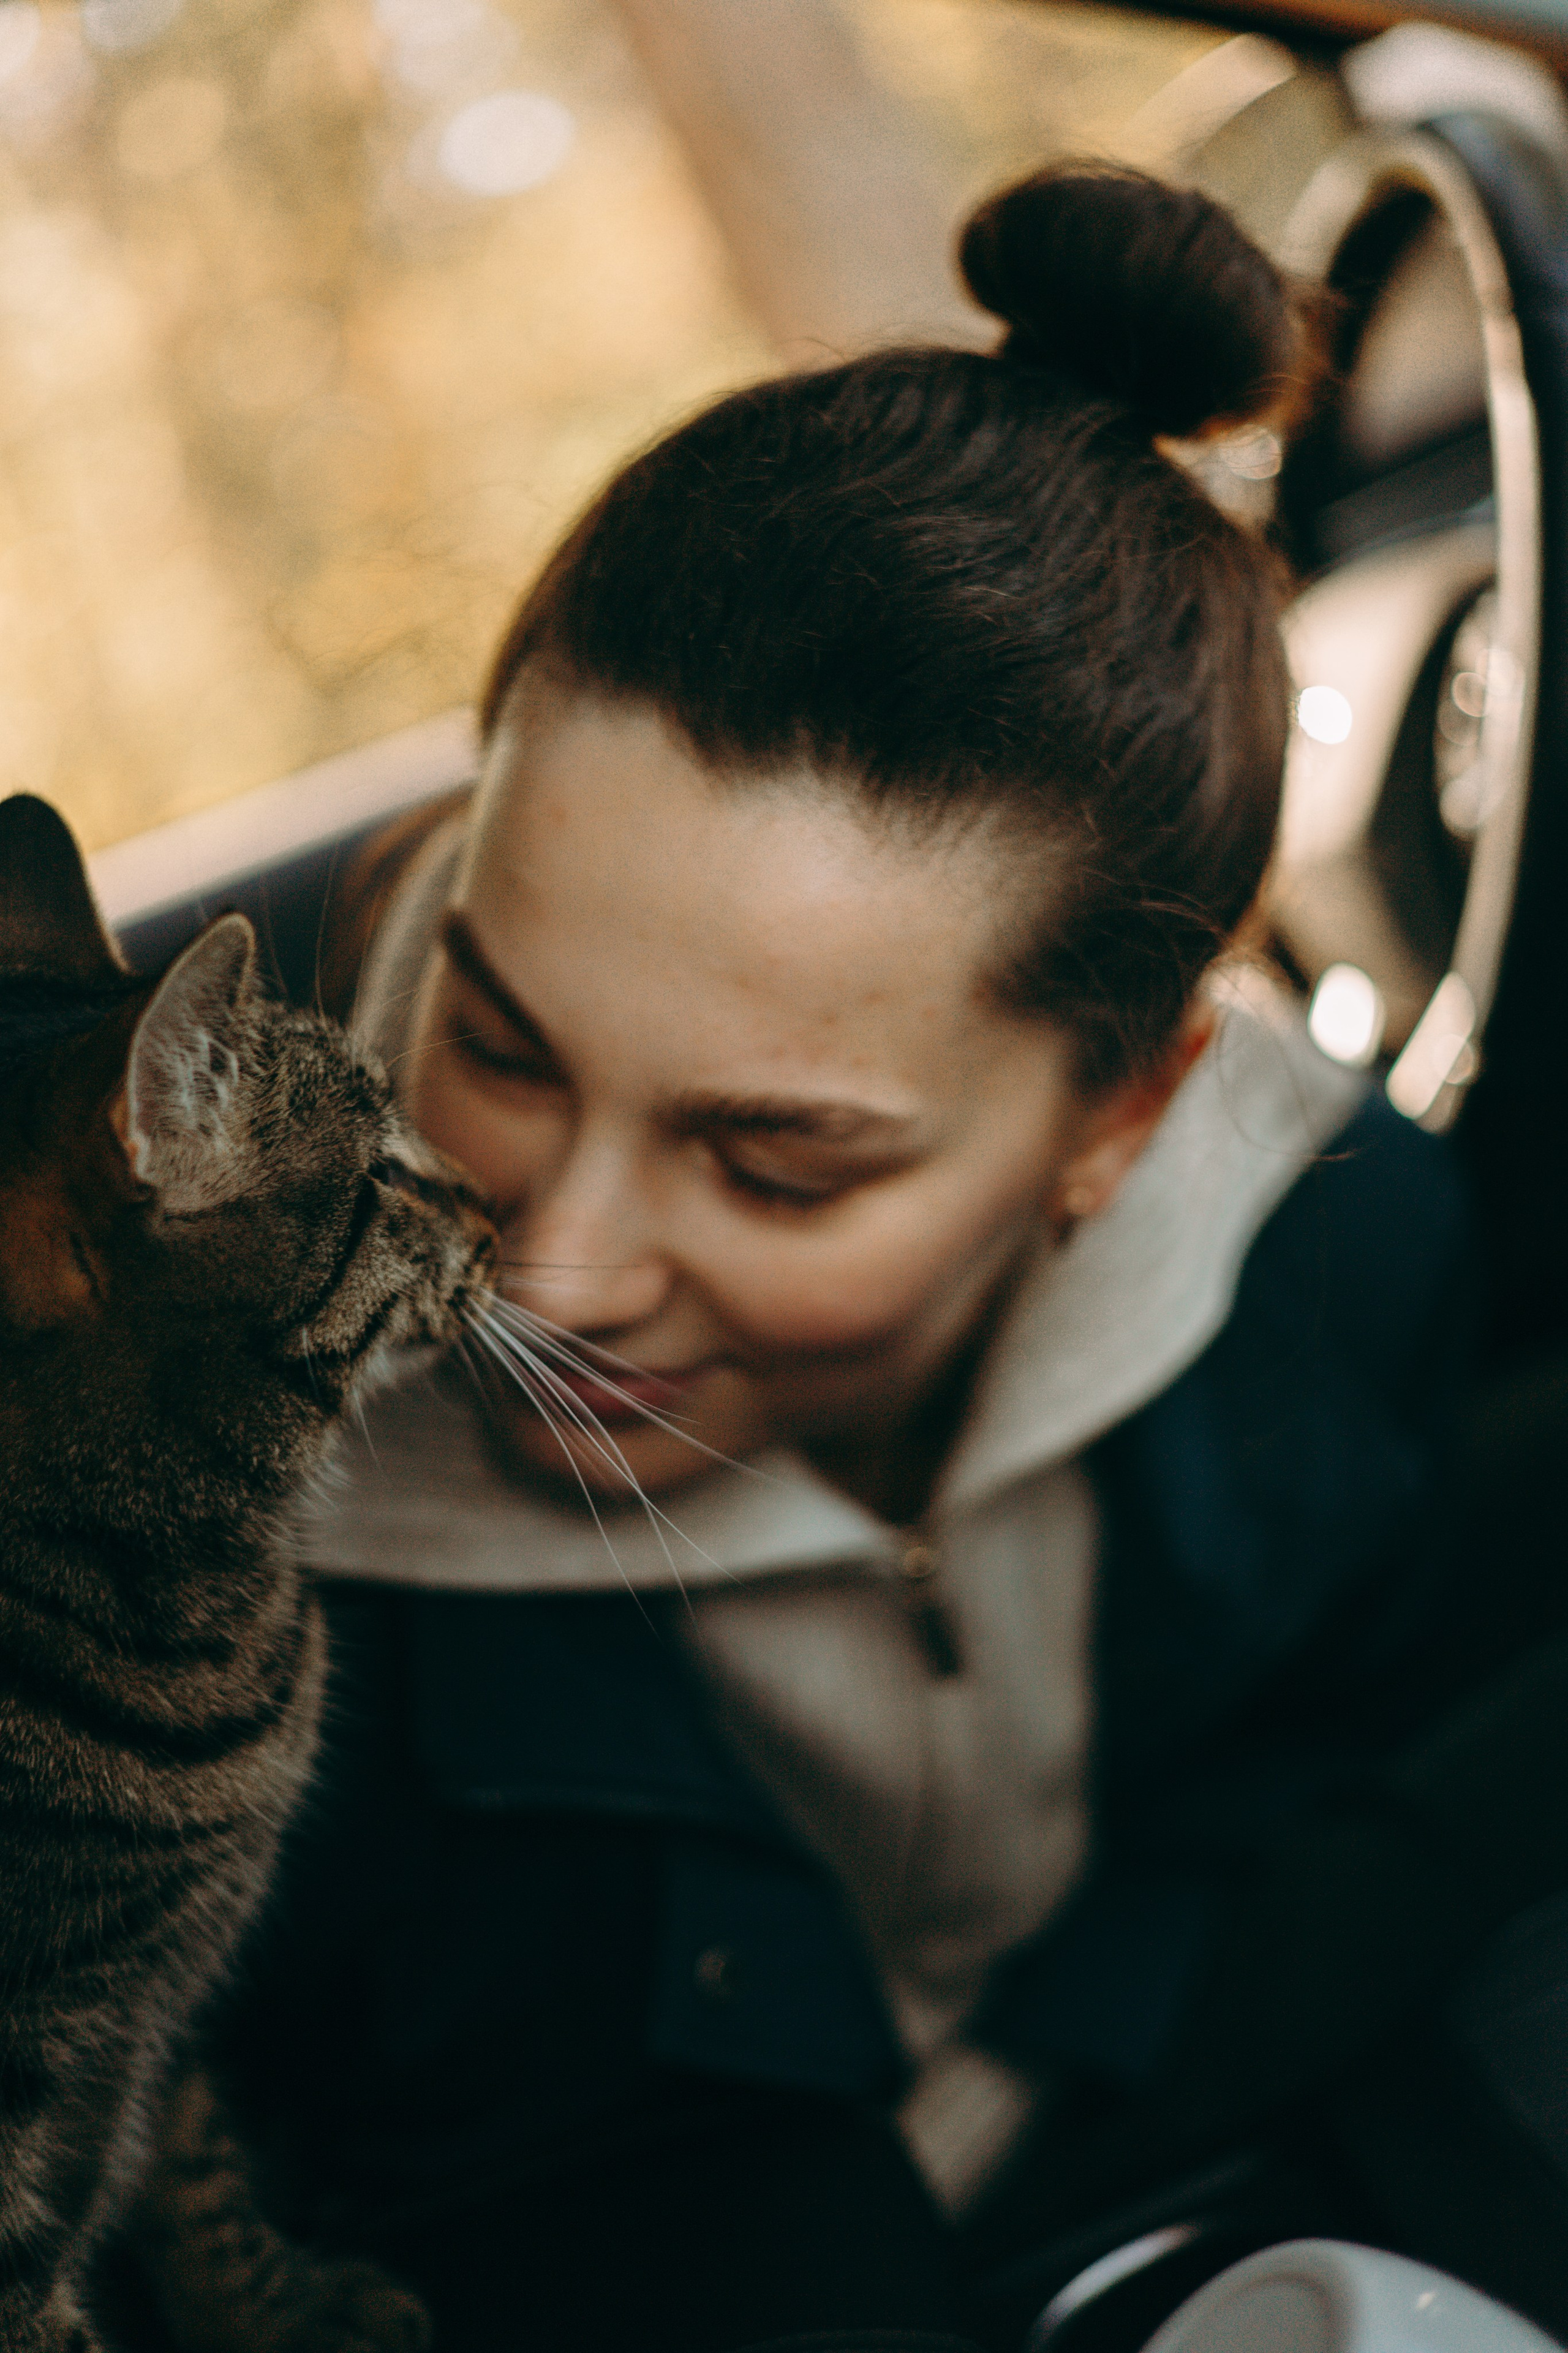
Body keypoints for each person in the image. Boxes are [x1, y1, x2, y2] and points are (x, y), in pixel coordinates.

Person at [198, 164, 1500, 2353]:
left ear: (1124, 1113)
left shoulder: (1339, 1266)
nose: (560, 1268)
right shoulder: (213, 1563)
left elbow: (1330, 1744)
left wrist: (1069, 2048)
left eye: (778, 1164)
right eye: (499, 1045)